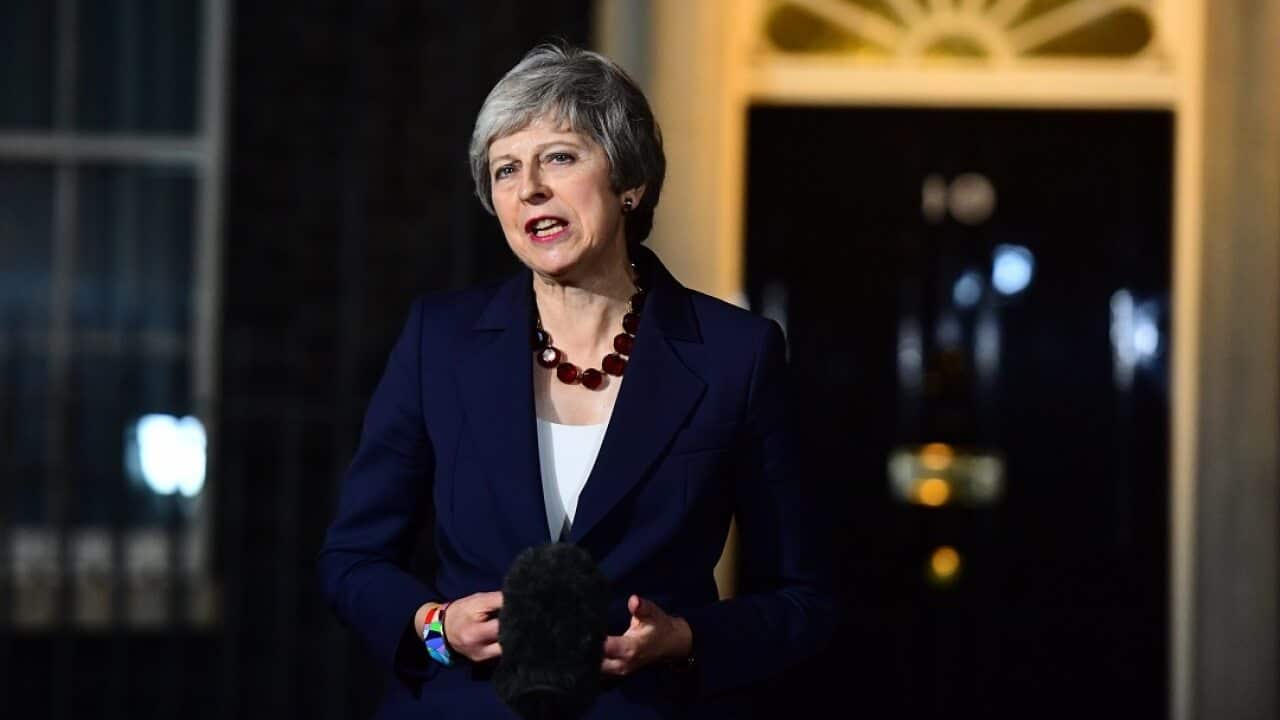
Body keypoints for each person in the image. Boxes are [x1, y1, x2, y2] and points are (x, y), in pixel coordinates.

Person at [317, 43, 833, 718]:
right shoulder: (437, 341)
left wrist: (683, 638)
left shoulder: (737, 355)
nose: (529, 186)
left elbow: (803, 599)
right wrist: (435, 626)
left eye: (558, 156)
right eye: (505, 169)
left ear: (629, 181)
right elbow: (352, 558)